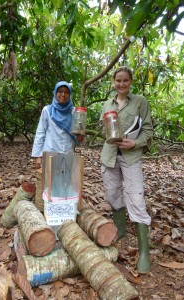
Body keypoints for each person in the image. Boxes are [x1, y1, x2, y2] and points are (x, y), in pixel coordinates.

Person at [100, 66, 153, 274]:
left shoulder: (140, 102)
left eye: (125, 81)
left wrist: (135, 143)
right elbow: (105, 127)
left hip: (131, 157)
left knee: (136, 199)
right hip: (109, 156)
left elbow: (148, 129)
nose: (121, 84)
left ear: (130, 82)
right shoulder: (106, 104)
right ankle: (120, 230)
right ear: (113, 82)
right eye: (118, 80)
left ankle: (144, 252)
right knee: (112, 194)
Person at [31, 80, 83, 167]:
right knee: (49, 179)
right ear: (55, 93)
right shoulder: (47, 110)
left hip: (67, 152)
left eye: (66, 92)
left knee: (66, 180)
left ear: (70, 95)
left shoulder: (74, 111)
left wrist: (80, 137)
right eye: (60, 91)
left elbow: (77, 136)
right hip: (50, 153)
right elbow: (40, 133)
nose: (63, 94)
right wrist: (37, 156)